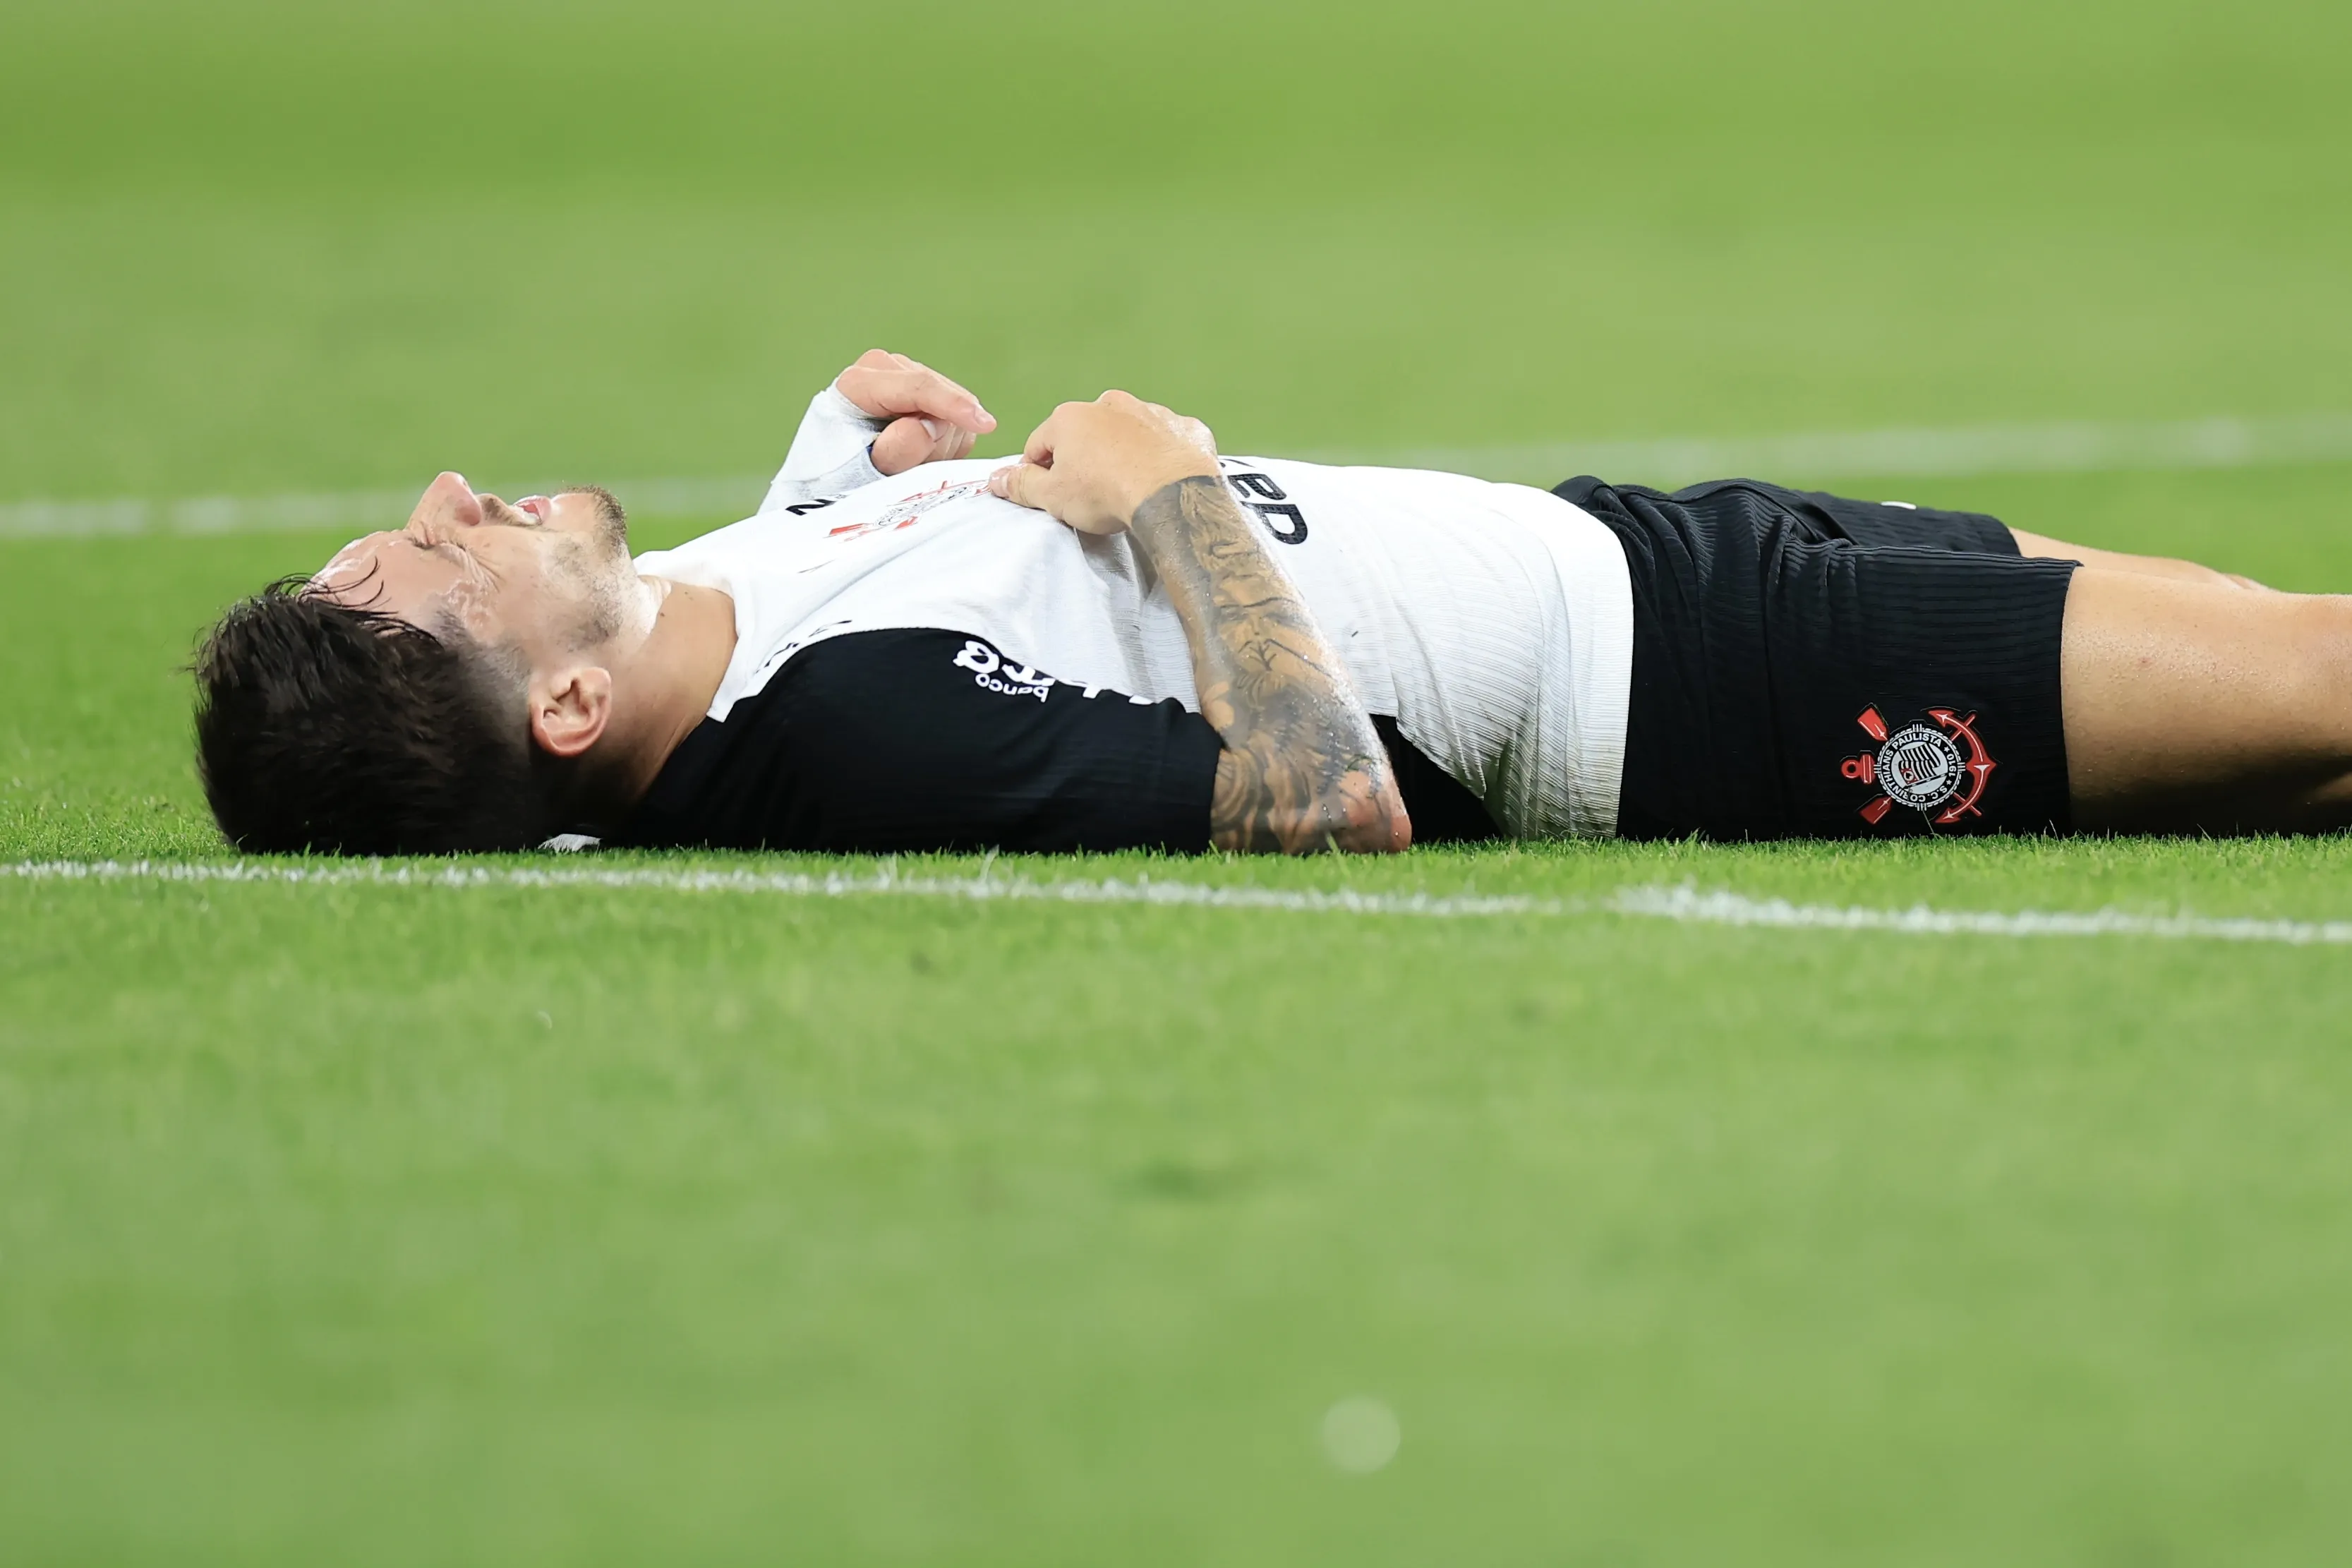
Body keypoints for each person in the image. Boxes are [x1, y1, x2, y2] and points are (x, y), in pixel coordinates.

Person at [193, 350, 2352, 857]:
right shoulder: (840, 740)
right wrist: (1170, 502)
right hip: (1705, 693)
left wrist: (837, 457)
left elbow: (795, 599)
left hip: (1640, 542)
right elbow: (1322, 798)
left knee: (2292, 662)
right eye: (440, 557)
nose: (450, 492)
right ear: (560, 709)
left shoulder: (683, 624)